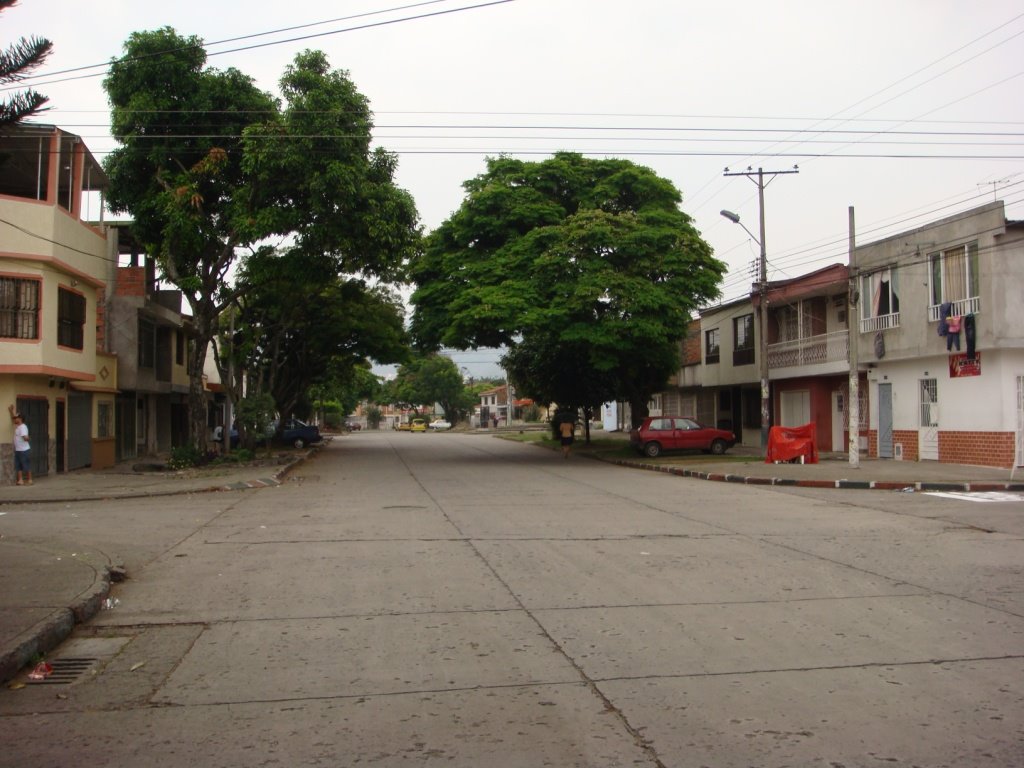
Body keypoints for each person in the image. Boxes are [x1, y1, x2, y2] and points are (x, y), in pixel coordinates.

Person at [8, 405, 32, 486]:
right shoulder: (18, 426)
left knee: (26, 465)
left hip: (24, 450)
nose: (15, 419)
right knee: (18, 465)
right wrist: (11, 411)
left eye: (17, 418)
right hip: (18, 449)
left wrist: (27, 438)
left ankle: (29, 480)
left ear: (20, 419)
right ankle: (20, 480)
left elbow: (25, 437)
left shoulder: (23, 427)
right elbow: (13, 419)